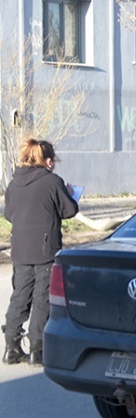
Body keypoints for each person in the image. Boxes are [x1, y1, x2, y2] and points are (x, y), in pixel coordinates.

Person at [3, 138, 79, 365]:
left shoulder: (14, 183)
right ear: (47, 161)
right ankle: (37, 349)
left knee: (20, 296)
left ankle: (11, 347)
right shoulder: (52, 181)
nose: (54, 163)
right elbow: (68, 211)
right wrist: (71, 194)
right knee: (42, 298)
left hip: (20, 248)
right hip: (45, 249)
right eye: (53, 160)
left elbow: (9, 214)